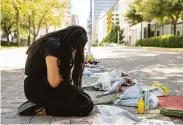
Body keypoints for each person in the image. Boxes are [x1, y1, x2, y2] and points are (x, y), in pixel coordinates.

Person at [18, 26, 93, 116]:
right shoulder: (52, 45)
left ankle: (42, 104)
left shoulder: (56, 42)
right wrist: (58, 78)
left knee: (85, 97)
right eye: (75, 47)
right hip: (35, 89)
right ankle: (40, 109)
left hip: (43, 85)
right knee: (86, 105)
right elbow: (54, 82)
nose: (74, 50)